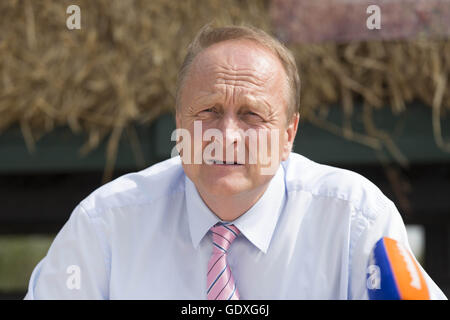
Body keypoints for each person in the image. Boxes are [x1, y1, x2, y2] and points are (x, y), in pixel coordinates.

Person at [24, 24, 446, 300]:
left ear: (288, 136)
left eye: (251, 115)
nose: (225, 136)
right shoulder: (105, 225)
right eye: (206, 112)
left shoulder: (355, 219)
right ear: (179, 124)